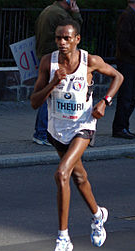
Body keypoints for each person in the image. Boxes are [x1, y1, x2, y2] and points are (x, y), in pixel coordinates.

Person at [30, 19, 123, 251]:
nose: (62, 42)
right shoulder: (48, 63)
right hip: (57, 129)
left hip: (83, 126)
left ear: (77, 39)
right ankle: (98, 214)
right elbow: (34, 102)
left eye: (67, 38)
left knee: (62, 174)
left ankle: (63, 239)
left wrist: (105, 102)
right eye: (58, 38)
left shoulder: (89, 61)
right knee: (79, 177)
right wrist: (53, 83)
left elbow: (118, 77)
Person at [33, 0, 83, 146]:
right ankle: (42, 132)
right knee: (50, 96)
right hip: (54, 57)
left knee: (46, 93)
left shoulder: (48, 10)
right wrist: (76, 13)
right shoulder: (61, 15)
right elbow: (76, 29)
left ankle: (42, 132)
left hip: (44, 55)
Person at [112, 0, 135, 139]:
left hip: (132, 61)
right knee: (126, 96)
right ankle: (120, 127)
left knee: (130, 97)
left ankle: (123, 126)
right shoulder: (128, 16)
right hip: (127, 62)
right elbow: (123, 41)